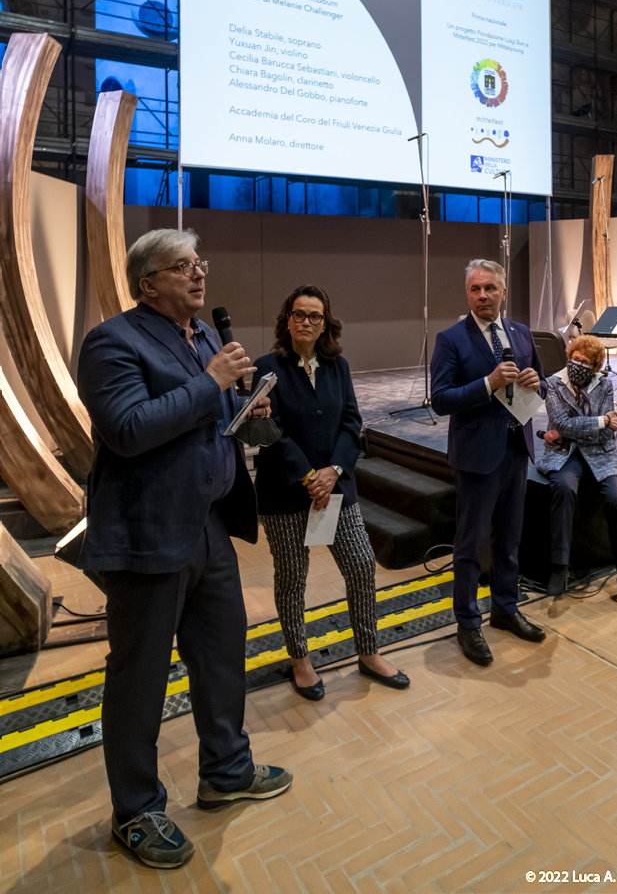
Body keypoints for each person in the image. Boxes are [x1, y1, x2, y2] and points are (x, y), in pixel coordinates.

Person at [77, 229, 291, 870]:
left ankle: (226, 771)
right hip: (148, 533)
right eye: (182, 267)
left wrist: (247, 414)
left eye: (200, 264)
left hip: (208, 527)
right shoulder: (113, 341)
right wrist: (212, 382)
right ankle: (136, 810)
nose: (199, 274)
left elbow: (206, 423)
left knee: (222, 654)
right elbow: (127, 430)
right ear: (148, 284)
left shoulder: (198, 338)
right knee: (139, 677)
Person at [253, 284, 409, 699]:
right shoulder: (267, 368)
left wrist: (333, 470)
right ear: (287, 320)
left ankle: (368, 651)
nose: (306, 321)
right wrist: (308, 475)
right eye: (299, 314)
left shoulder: (338, 366)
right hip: (286, 491)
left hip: (335, 486)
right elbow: (269, 429)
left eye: (314, 316)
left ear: (325, 324)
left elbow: (351, 421)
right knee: (292, 578)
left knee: (360, 564)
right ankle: (300, 659)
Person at [429, 259, 547, 666]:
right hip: (477, 456)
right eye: (475, 289)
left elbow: (541, 381)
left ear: (503, 291)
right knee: (471, 545)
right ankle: (467, 623)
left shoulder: (521, 333)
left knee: (509, 539)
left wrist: (537, 382)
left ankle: (505, 608)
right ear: (467, 293)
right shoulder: (451, 339)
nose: (482, 295)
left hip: (516, 450)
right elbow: (441, 399)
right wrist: (487, 384)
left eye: (490, 288)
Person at [536, 334, 617, 614]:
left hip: (600, 453)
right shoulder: (554, 384)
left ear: (594, 366)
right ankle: (560, 566)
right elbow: (561, 423)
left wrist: (583, 427)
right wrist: (601, 420)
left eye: (584, 362)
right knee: (563, 488)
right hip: (564, 453)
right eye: (574, 358)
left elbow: (605, 433)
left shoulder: (604, 384)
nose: (577, 364)